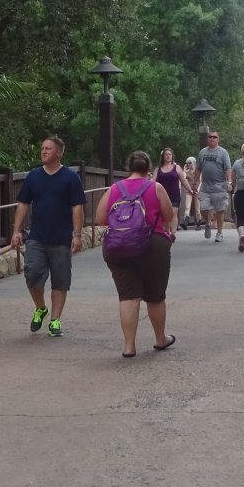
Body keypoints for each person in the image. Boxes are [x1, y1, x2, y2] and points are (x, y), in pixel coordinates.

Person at [95, 151, 177, 357]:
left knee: (128, 296)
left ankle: (129, 346)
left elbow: (100, 219)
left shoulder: (114, 189)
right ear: (148, 168)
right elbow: (168, 215)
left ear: (128, 167)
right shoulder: (155, 187)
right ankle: (160, 339)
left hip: (118, 247)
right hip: (152, 244)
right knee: (155, 295)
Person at [9, 137, 86, 338]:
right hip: (37, 237)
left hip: (61, 238)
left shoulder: (70, 178)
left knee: (60, 281)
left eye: (48, 148)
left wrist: (77, 235)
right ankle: (40, 308)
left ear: (58, 153)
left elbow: (77, 207)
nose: (43, 151)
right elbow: (23, 203)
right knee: (32, 274)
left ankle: (55, 320)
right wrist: (16, 230)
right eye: (42, 148)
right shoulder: (34, 176)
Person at [197, 130, 232, 243]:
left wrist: (229, 182)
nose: (212, 139)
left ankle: (219, 233)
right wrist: (195, 182)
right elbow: (198, 168)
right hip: (206, 187)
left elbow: (227, 168)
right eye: (210, 137)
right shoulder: (202, 152)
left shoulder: (223, 152)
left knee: (220, 210)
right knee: (203, 208)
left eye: (214, 137)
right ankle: (207, 222)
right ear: (208, 139)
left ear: (218, 139)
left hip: (219, 186)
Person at [155, 148, 184, 228]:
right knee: (165, 215)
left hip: (175, 194)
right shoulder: (158, 169)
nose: (168, 156)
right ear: (163, 156)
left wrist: (191, 190)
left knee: (174, 213)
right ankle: (168, 233)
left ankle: (173, 234)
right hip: (162, 195)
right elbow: (152, 181)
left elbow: (183, 181)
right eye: (166, 154)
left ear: (172, 156)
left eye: (169, 154)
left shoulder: (177, 167)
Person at [182, 156, 200, 229]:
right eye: (187, 163)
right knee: (187, 207)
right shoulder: (187, 171)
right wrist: (184, 171)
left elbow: (201, 180)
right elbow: (183, 178)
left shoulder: (197, 170)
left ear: (193, 163)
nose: (188, 164)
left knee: (197, 208)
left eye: (190, 163)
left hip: (196, 190)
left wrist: (198, 189)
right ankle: (185, 222)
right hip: (189, 190)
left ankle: (198, 223)